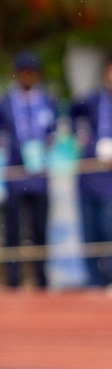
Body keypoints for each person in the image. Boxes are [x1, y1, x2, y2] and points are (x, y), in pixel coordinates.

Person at [0, 52, 57, 290]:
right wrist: (5, 143)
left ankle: (42, 279)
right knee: (12, 230)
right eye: (23, 72)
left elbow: (54, 133)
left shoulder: (48, 101)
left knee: (40, 229)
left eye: (32, 72)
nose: (28, 76)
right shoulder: (4, 102)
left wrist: (46, 143)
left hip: (39, 176)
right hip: (14, 175)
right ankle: (13, 279)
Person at [71, 58, 112, 289]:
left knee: (109, 230)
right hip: (88, 176)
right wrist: (79, 132)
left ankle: (109, 279)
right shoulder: (93, 99)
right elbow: (72, 113)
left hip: (110, 181)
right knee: (89, 232)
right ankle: (93, 281)